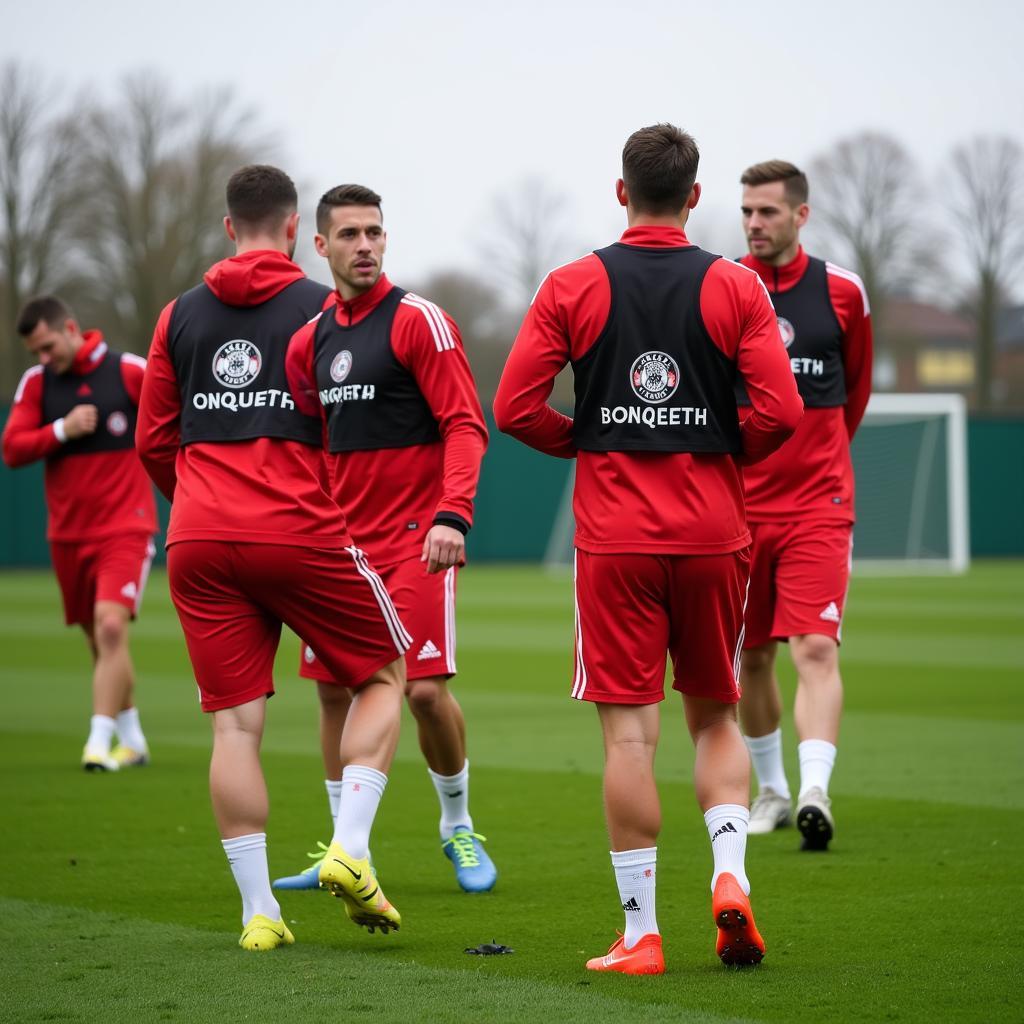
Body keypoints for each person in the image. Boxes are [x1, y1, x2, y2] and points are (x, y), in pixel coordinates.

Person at [494, 124, 803, 973]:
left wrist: (589, 440)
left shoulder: (573, 282)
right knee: (716, 716)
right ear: (697, 197)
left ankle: (641, 934)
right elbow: (780, 414)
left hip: (614, 542)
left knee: (630, 741)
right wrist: (714, 440)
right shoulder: (736, 286)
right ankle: (731, 878)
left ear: (620, 191)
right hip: (714, 536)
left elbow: (514, 407)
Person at [135, 165, 410, 952]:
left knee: (235, 730)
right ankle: (350, 849)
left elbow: (155, 441)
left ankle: (260, 913)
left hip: (197, 537)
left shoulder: (177, 315)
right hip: (298, 529)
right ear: (296, 229)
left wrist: (194, 498)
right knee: (386, 675)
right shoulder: (321, 309)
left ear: (229, 227)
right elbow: (342, 423)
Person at [280, 183, 495, 894]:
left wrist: (451, 515)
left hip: (415, 541)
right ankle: (348, 847)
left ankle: (457, 827)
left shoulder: (418, 322)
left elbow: (466, 424)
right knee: (334, 695)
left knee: (425, 693)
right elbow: (309, 450)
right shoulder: (308, 340)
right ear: (320, 246)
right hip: (340, 549)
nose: (365, 245)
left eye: (374, 232)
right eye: (349, 235)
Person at [735, 161, 873, 852]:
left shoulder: (844, 291)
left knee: (815, 645)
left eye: (767, 212)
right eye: (748, 212)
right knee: (749, 657)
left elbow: (856, 392)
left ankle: (815, 787)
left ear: (801, 215)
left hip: (819, 502)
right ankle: (772, 792)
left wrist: (819, 465)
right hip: (736, 508)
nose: (755, 224)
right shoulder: (722, 286)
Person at [2, 297, 157, 772]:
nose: (44, 358)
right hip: (68, 535)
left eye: (48, 346)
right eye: (36, 352)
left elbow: (175, 412)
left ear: (69, 328)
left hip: (126, 527)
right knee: (99, 640)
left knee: (111, 626)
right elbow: (12, 448)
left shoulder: (128, 370)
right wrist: (62, 431)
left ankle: (98, 742)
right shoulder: (37, 384)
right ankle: (133, 740)